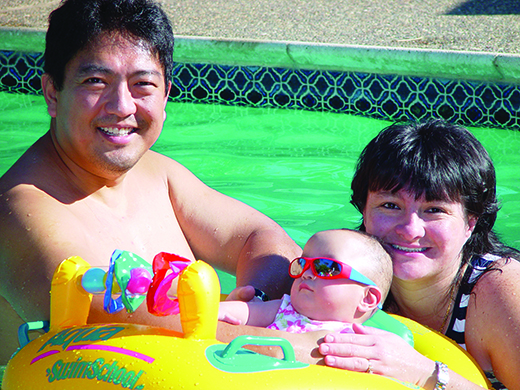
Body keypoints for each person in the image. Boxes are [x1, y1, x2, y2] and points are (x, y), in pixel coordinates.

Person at [0, 0, 300, 365]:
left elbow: (266, 241)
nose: (122, 106)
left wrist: (251, 310)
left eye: (142, 84)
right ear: (52, 93)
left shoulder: (158, 175)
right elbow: (103, 316)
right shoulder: (20, 206)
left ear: (166, 95)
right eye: (96, 81)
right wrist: (290, 345)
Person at [317, 120, 520, 390]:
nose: (410, 230)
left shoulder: (499, 292)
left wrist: (425, 373)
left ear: (471, 221)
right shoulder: (345, 280)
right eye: (390, 205)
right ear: (363, 211)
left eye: (434, 209)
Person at [219, 229, 392, 333]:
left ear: (367, 298)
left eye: (326, 267)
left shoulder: (361, 345)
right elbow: (243, 311)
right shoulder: (282, 310)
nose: (306, 274)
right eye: (303, 264)